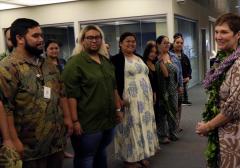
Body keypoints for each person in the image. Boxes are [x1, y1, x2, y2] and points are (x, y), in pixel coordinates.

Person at [0, 18, 72, 168]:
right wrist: (11, 140)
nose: (41, 40)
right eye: (35, 36)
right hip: (29, 148)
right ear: (20, 39)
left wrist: (67, 118)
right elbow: (6, 108)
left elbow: (61, 93)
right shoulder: (8, 68)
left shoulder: (47, 64)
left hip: (55, 143)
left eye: (41, 35)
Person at [196, 13, 240, 168]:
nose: (218, 36)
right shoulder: (222, 59)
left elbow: (234, 107)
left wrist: (208, 126)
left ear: (238, 35)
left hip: (234, 130)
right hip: (220, 125)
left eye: (224, 32)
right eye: (216, 32)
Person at [62, 25, 122, 168]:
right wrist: (75, 121)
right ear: (82, 40)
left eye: (97, 37)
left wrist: (118, 110)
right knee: (86, 157)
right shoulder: (74, 63)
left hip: (107, 119)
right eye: (90, 37)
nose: (94, 40)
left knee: (101, 151)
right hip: (87, 122)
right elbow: (70, 95)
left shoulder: (105, 61)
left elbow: (114, 88)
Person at [111, 32, 159, 168]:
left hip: (145, 100)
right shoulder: (116, 60)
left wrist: (154, 92)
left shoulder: (138, 57)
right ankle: (130, 159)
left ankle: (142, 154)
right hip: (129, 100)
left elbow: (148, 75)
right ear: (120, 43)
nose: (131, 44)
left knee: (144, 126)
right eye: (127, 41)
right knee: (131, 127)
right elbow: (113, 82)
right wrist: (118, 99)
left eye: (133, 41)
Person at [44, 39, 74, 158]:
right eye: (51, 48)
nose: (54, 50)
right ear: (46, 50)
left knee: (65, 127)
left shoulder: (62, 61)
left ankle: (62, 149)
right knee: (55, 126)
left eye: (56, 48)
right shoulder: (43, 63)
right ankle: (56, 151)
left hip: (65, 95)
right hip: (52, 97)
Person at [155, 35, 183, 143]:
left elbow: (179, 72)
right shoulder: (155, 57)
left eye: (168, 42)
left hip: (173, 89)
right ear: (158, 44)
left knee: (173, 111)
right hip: (161, 89)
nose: (167, 44)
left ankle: (173, 132)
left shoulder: (173, 56)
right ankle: (162, 135)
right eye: (164, 43)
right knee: (162, 112)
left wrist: (180, 85)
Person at [171, 33, 192, 106]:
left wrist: (188, 77)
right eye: (177, 42)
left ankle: (185, 100)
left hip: (183, 82)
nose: (179, 44)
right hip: (173, 83)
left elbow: (189, 68)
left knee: (181, 105)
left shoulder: (184, 57)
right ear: (173, 43)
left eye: (181, 43)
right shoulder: (169, 56)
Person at [143, 41, 159, 125]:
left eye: (155, 52)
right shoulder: (142, 64)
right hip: (148, 94)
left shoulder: (155, 64)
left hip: (156, 93)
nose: (153, 54)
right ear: (147, 52)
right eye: (151, 52)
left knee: (156, 116)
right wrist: (153, 93)